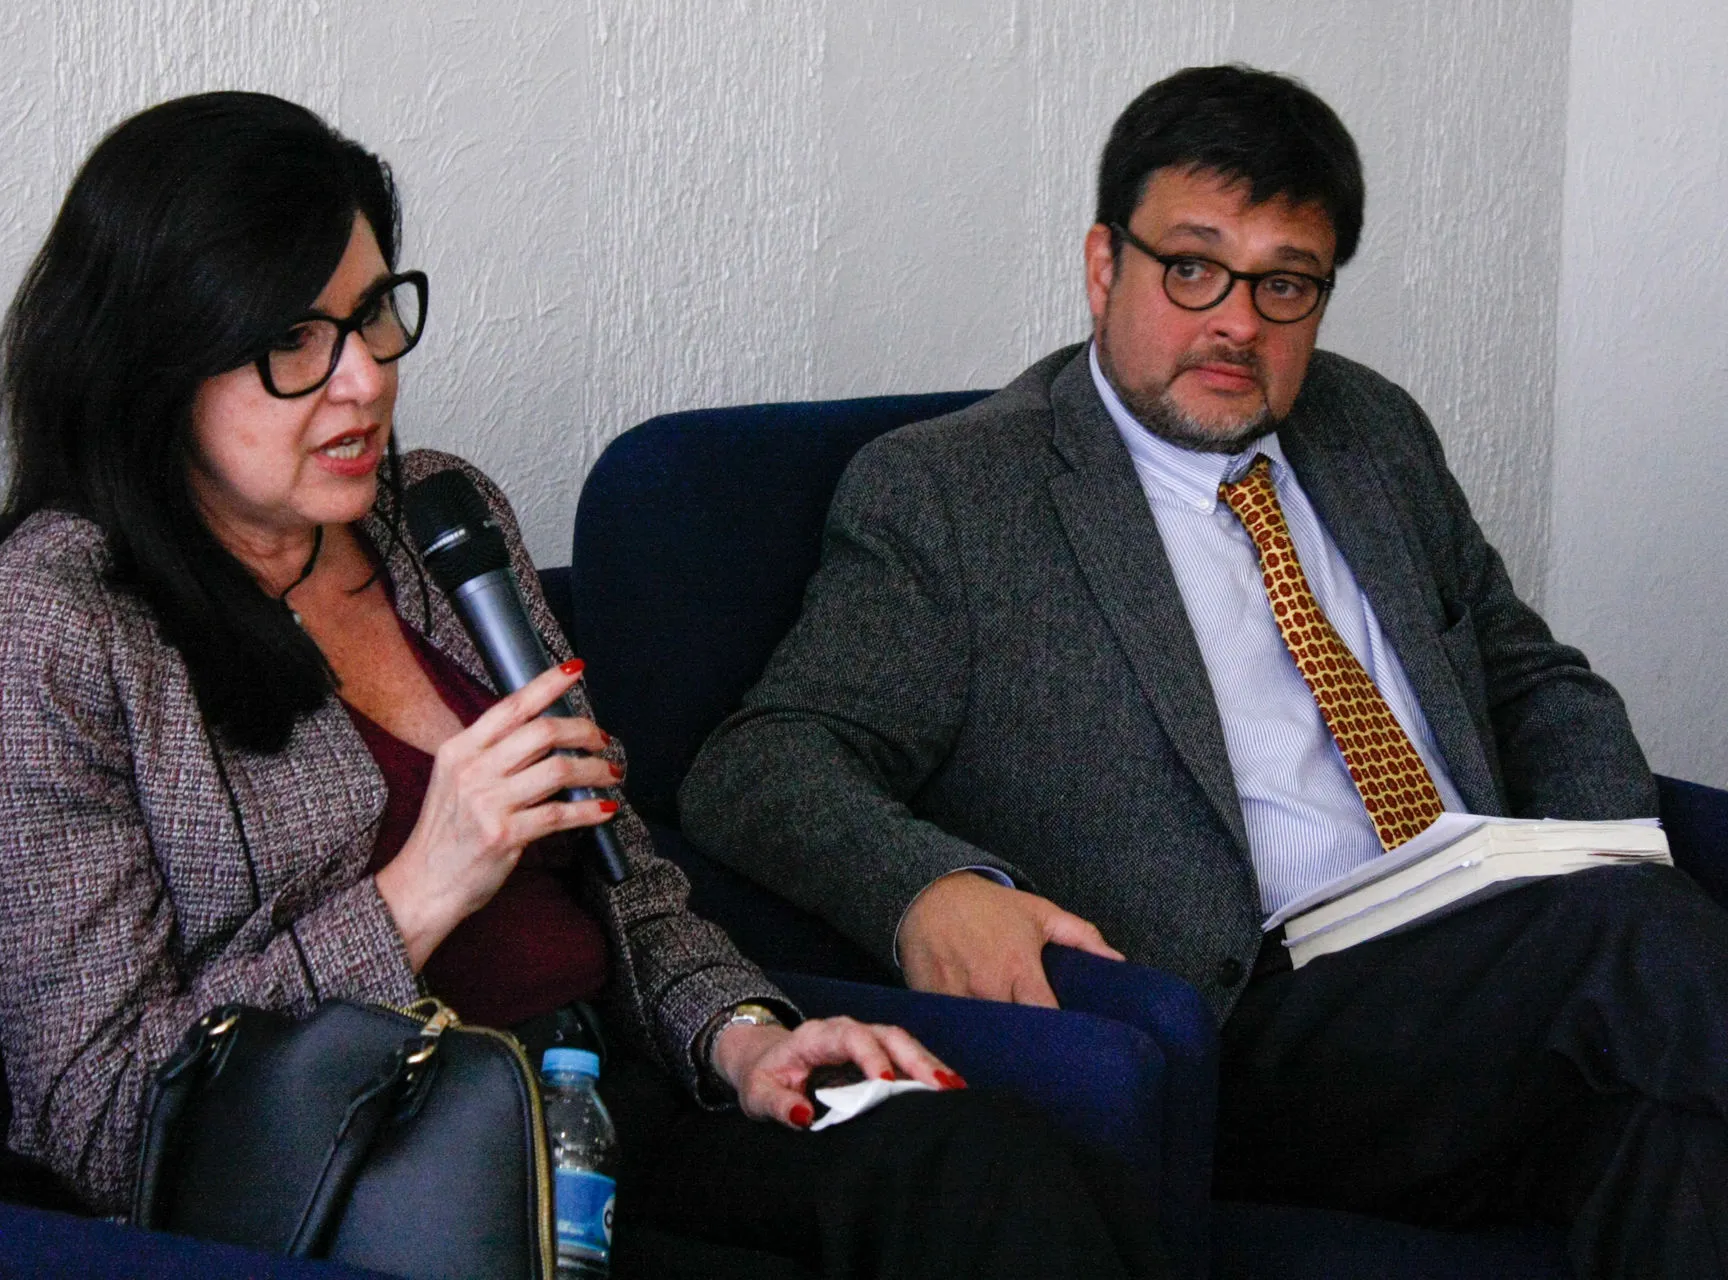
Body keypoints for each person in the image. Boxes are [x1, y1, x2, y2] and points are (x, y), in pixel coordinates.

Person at [0, 92, 1163, 1279]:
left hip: (599, 1114)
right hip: (379, 1186)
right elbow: (99, 1115)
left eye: (372, 316)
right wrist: (416, 893)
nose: (364, 379)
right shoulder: (47, 637)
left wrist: (749, 1039)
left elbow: (629, 878)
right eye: (293, 341)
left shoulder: (439, 517)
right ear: (153, 363)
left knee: (981, 1165)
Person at [680, 64, 1728, 1277]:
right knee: (1630, 948)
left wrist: (1604, 847)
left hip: (1498, 976)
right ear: (1101, 266)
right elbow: (762, 761)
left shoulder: (1370, 429)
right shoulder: (957, 493)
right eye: (1193, 267)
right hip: (1245, 1022)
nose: (1237, 321)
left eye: (1283, 283)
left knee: (1677, 1135)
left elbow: (1526, 669)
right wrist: (929, 888)